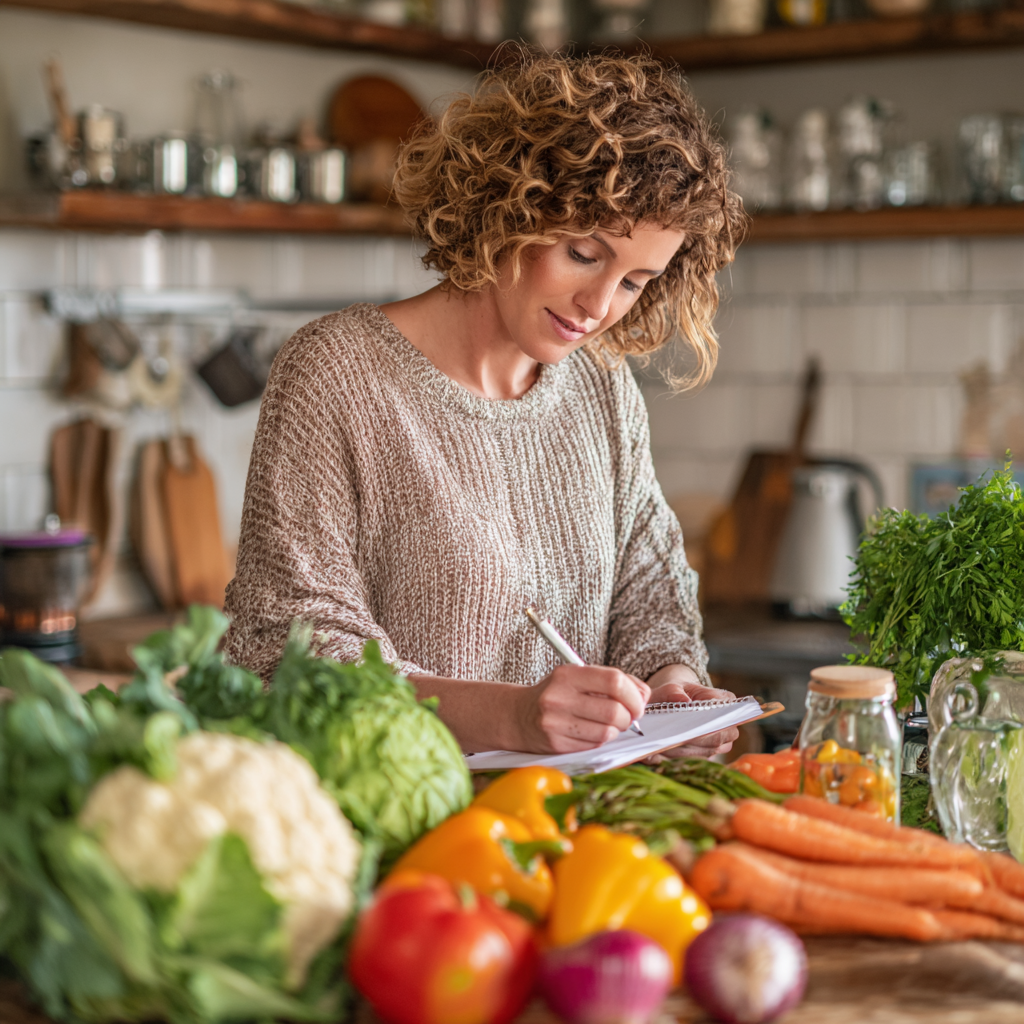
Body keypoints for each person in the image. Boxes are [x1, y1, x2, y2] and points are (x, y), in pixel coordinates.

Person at [224, 51, 746, 759]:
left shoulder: (601, 388)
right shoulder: (336, 373)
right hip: (400, 832)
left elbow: (649, 592)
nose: (599, 307)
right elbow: (291, 654)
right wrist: (511, 718)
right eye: (585, 254)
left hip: (571, 833)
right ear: (511, 207)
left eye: (635, 282)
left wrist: (671, 685)